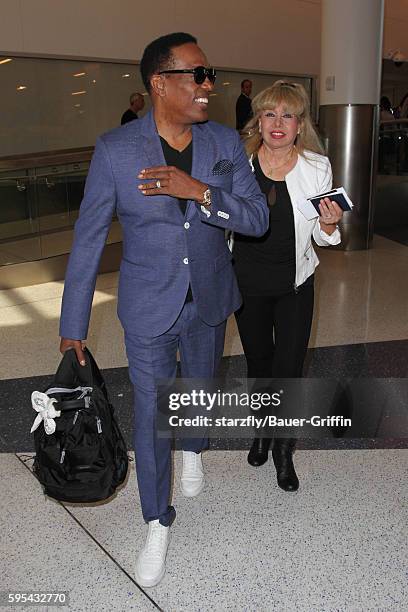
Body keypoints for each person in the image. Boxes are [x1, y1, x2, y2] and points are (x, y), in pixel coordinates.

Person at [59, 32, 268, 587]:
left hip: (210, 297)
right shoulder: (116, 150)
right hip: (148, 305)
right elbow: (88, 239)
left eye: (209, 75)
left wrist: (200, 191)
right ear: (160, 83)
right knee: (153, 416)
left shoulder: (224, 144)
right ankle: (156, 519)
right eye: (197, 75)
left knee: (198, 389)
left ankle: (195, 448)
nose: (209, 86)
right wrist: (71, 326)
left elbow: (255, 219)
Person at [233, 81, 343, 492]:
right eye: (269, 114)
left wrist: (330, 224)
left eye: (288, 115)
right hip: (246, 283)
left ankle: (283, 449)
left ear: (300, 124)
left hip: (294, 284)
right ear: (258, 120)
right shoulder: (237, 162)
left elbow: (321, 235)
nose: (278, 123)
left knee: (289, 370)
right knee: (259, 366)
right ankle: (261, 432)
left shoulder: (317, 167)